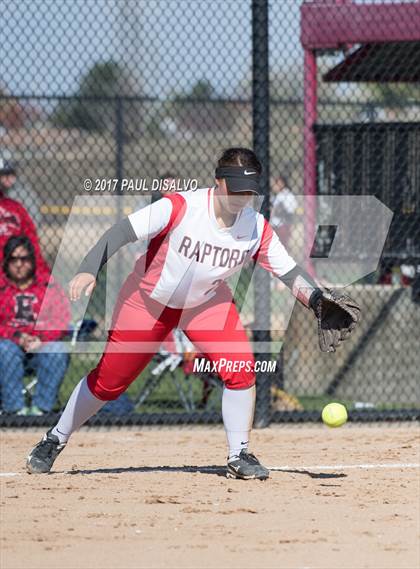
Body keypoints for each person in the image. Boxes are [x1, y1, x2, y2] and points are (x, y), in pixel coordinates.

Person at [26, 147, 359, 479]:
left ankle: (239, 453)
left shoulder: (256, 226)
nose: (242, 197)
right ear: (218, 181)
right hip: (148, 302)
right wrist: (89, 269)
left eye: (249, 190)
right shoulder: (181, 206)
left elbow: (287, 271)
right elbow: (121, 232)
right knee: (109, 383)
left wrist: (315, 298)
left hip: (206, 303)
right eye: (235, 188)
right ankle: (54, 438)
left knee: (240, 368)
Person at [0, 236, 71, 415]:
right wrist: (18, 337)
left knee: (57, 349)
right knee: (4, 349)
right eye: (13, 259)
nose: (18, 264)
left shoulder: (47, 284)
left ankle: (40, 410)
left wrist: (41, 339)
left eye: (23, 259)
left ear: (32, 260)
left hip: (41, 346)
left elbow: (61, 319)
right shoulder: (2, 285)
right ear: (6, 261)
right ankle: (15, 410)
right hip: (9, 346)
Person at [0, 159, 50, 274]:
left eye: (11, 174)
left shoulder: (22, 194)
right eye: (4, 174)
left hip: (20, 242)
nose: (8, 178)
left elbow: (33, 224)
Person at [270, 174, 298, 249]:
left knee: (281, 248)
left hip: (283, 226)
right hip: (274, 225)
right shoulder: (276, 195)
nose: (274, 185)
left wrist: (278, 210)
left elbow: (291, 210)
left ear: (282, 183)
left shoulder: (287, 195)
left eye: (276, 183)